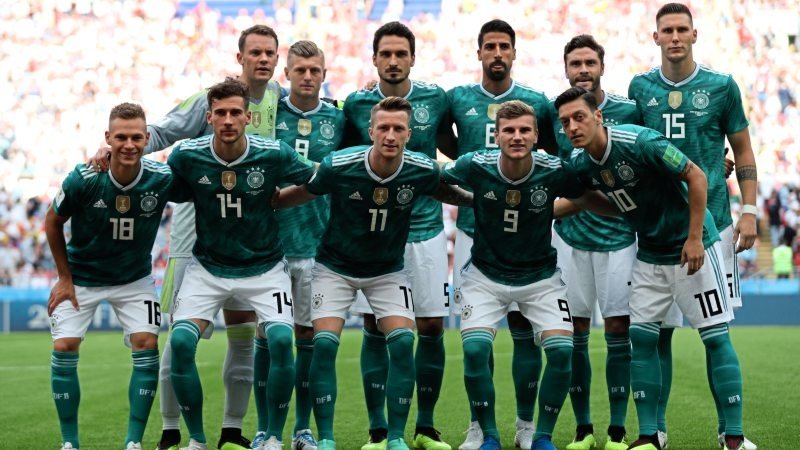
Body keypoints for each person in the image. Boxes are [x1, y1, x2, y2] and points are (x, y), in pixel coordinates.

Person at [89, 24, 284, 450]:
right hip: (194, 232)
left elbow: (315, 109)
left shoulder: (277, 98)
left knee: (243, 335)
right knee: (179, 337)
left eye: (270, 53)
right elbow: (159, 132)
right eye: (255, 52)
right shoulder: (208, 101)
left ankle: (231, 430)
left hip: (247, 237)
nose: (263, 59)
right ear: (240, 58)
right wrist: (114, 151)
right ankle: (171, 429)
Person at [555, 86, 747, 450]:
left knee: (715, 336)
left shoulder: (640, 141)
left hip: (692, 248)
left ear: (598, 116)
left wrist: (694, 237)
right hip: (650, 253)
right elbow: (583, 200)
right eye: (565, 122)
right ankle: (648, 437)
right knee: (641, 340)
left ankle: (735, 436)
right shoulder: (581, 164)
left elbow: (697, 176)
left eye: (579, 117)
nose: (572, 127)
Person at [276, 96, 472, 450]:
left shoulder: (421, 169)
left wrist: (485, 199)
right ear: (371, 131)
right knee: (323, 344)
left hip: (387, 271)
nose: (390, 135)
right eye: (384, 128)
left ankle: (395, 437)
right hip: (335, 268)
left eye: (398, 128)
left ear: (409, 134)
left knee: (403, 342)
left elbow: (451, 193)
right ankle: (327, 438)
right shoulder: (339, 165)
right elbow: (304, 191)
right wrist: (268, 201)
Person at [442, 100, 618, 450]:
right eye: (509, 130)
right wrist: (469, 200)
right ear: (496, 136)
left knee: (562, 351)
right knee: (475, 350)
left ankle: (540, 436)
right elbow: (435, 179)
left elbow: (585, 197)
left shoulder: (555, 170)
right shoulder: (476, 164)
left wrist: (627, 212)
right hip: (485, 276)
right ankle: (488, 435)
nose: (517, 136)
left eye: (525, 130)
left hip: (540, 278)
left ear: (537, 135)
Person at [627, 4, 758, 448]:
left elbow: (742, 150)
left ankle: (730, 433)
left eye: (682, 29)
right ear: (656, 37)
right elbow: (635, 151)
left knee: (715, 331)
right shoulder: (640, 87)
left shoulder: (721, 86)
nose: (675, 37)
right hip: (659, 230)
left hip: (713, 225)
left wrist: (749, 210)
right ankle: (656, 432)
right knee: (656, 332)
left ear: (694, 35)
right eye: (667, 30)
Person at [167, 79, 315, 450]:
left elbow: (317, 178)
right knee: (181, 342)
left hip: (265, 267)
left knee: (280, 340)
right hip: (208, 268)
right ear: (209, 117)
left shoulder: (273, 153)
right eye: (221, 113)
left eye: (236, 112)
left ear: (249, 117)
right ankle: (197, 440)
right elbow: (153, 184)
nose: (229, 120)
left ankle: (273, 437)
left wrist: (283, 199)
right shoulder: (186, 156)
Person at [444, 19, 556, 450]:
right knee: (478, 336)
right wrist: (478, 191)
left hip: (526, 235)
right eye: (489, 46)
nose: (496, 53)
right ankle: (479, 425)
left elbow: (553, 158)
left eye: (503, 46)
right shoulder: (459, 99)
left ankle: (526, 425)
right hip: (474, 231)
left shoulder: (535, 102)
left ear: (513, 52)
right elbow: (448, 145)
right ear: (479, 52)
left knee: (525, 329)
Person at [46, 103, 184, 450]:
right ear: (107, 138)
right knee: (64, 346)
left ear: (147, 138)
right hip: (81, 276)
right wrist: (64, 278)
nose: (129, 144)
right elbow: (52, 221)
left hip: (134, 279)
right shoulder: (84, 178)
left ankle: (133, 442)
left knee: (147, 344)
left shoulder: (162, 178)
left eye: (136, 137)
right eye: (121, 137)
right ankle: (69, 443)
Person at [342, 21, 454, 450]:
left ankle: (424, 428)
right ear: (374, 58)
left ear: (412, 58)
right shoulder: (356, 104)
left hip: (424, 227)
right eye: (385, 54)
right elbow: (343, 159)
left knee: (431, 326)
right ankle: (377, 431)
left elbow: (454, 146)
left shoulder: (436, 98)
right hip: (375, 231)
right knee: (374, 325)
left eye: (400, 54)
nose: (393, 61)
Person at [249, 40, 346, 450]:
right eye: (300, 70)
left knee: (306, 336)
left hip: (317, 245)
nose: (308, 77)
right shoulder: (268, 113)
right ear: (285, 74)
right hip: (270, 246)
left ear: (324, 74)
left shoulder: (340, 118)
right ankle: (264, 428)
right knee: (268, 336)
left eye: (315, 70)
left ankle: (302, 429)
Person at [545, 35, 638, 450]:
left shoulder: (629, 111)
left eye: (589, 62)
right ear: (566, 69)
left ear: (602, 65)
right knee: (575, 332)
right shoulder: (554, 113)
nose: (583, 69)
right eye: (575, 63)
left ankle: (617, 430)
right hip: (570, 239)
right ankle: (583, 429)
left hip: (619, 237)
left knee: (619, 328)